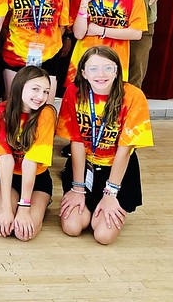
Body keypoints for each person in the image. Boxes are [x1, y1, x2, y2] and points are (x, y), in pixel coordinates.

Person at [57, 46, 153, 245]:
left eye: (108, 68)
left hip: (117, 171)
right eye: (93, 69)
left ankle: (108, 205)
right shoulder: (74, 92)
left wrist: (111, 193)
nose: (100, 75)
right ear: (83, 72)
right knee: (73, 227)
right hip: (85, 168)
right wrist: (77, 188)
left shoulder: (133, 96)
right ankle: (88, 203)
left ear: (117, 70)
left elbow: (125, 149)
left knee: (103, 236)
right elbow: (75, 141)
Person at [0, 66, 56, 241]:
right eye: (35, 89)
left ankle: (41, 202)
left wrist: (24, 207)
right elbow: (6, 157)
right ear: (20, 86)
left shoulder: (46, 114)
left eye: (46, 91)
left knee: (24, 234)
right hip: (8, 176)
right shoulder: (1, 111)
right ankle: (12, 204)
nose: (41, 97)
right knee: (4, 227)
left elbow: (30, 161)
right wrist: (7, 208)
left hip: (37, 179)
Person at [1, 0, 70, 101]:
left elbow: (62, 24)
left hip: (48, 56)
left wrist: (46, 43)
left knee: (44, 110)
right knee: (14, 110)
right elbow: (2, 24)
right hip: (15, 55)